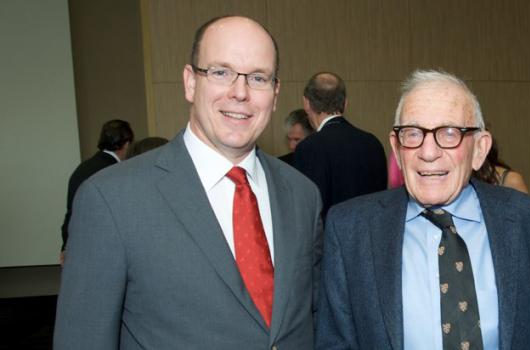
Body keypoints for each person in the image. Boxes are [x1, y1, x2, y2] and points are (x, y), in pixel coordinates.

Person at [54, 15, 322, 349]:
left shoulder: (302, 195)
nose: (240, 93)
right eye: (221, 72)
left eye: (258, 77)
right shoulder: (111, 199)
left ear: (275, 92)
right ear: (190, 82)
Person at [316, 70, 530, 349]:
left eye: (449, 133)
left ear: (479, 149)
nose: (428, 152)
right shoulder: (350, 230)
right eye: (413, 134)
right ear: (396, 147)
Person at [294, 71, 387, 217]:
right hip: (371, 238)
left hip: (329, 239)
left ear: (306, 103)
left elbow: (307, 212)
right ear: (345, 103)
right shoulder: (373, 144)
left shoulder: (308, 148)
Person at [60, 119, 133, 261]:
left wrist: (66, 246)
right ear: (126, 144)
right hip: (103, 246)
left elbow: (71, 211)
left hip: (77, 239)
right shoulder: (118, 172)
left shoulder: (82, 168)